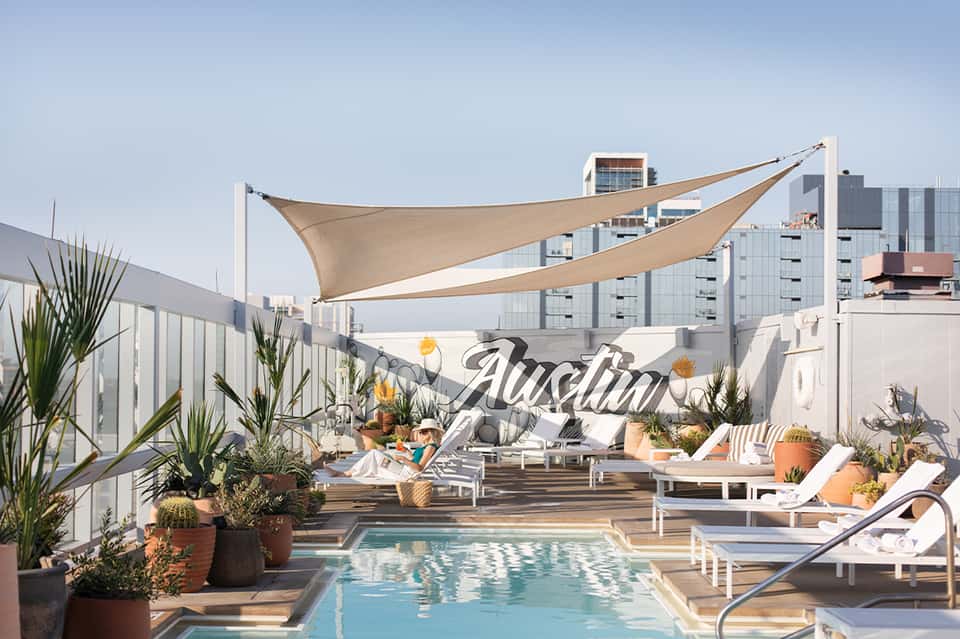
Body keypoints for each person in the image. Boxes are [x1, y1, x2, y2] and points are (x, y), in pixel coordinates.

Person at [328, 419, 444, 480]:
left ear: (431, 433)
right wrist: (407, 453)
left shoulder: (430, 447)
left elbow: (419, 468)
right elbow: (415, 461)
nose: (420, 434)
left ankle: (344, 474)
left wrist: (403, 459)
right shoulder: (426, 447)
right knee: (378, 457)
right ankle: (345, 473)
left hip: (405, 473)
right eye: (420, 432)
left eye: (423, 432)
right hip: (403, 469)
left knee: (374, 454)